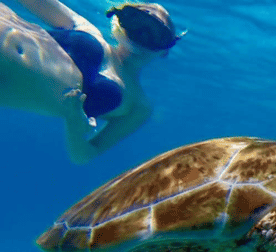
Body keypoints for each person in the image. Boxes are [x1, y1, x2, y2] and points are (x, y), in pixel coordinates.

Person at [0, 1, 185, 163]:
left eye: (156, 34)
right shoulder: (86, 27)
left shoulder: (139, 105)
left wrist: (75, 127)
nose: (143, 37)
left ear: (164, 49)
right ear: (121, 20)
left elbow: (84, 156)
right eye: (136, 22)